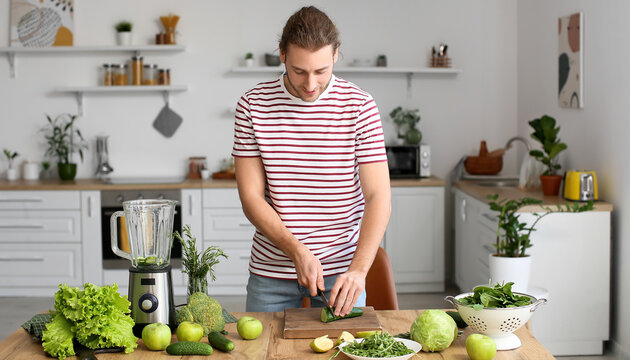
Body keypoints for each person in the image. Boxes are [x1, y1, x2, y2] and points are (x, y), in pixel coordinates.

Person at [232, 6, 391, 317]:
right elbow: (251, 198)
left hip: (342, 273)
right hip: (272, 272)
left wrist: (358, 270)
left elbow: (378, 197)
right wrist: (296, 251)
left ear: (336, 56)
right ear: (282, 55)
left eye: (321, 71)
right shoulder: (253, 105)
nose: (309, 84)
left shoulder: (360, 106)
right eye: (299, 70)